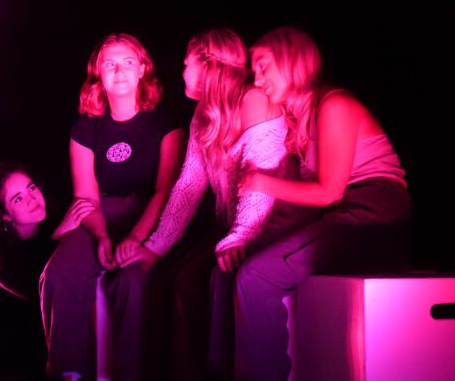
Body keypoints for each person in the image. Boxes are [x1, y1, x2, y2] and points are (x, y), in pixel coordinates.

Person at [120, 28, 310, 380]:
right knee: (168, 278)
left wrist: (240, 236)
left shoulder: (254, 100)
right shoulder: (202, 117)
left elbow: (261, 181)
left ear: (207, 64)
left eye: (186, 63)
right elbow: (189, 187)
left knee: (199, 282)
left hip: (272, 223)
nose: (181, 71)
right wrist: (156, 248)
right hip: (236, 228)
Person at [228, 26, 412, 380]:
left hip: (375, 215)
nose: (258, 78)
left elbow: (329, 192)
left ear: (293, 62)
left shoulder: (335, 105)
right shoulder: (299, 119)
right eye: (255, 70)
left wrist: (261, 181)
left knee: (256, 277)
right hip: (343, 214)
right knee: (243, 260)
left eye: (264, 66)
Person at [39, 33, 186, 381]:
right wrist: (103, 236)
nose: (119, 71)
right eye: (110, 64)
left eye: (128, 62)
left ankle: (126, 374)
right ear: (98, 75)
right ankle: (67, 372)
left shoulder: (167, 123)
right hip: (99, 216)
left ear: (143, 70)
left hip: (150, 216)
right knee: (59, 273)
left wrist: (136, 238)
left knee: (133, 281)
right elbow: (86, 197)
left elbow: (166, 191)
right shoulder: (85, 128)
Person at [0, 161, 93, 381]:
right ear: (3, 215)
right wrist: (61, 232)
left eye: (31, 188)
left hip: (30, 356)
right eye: (18, 198)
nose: (32, 199)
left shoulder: (55, 224)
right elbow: (32, 285)